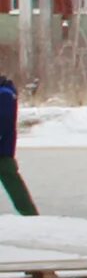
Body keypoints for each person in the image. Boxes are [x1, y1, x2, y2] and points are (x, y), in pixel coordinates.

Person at [0, 73, 35, 215]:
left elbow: (4, 121)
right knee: (13, 183)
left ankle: (31, 216)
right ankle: (30, 215)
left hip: (3, 151)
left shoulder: (5, 94)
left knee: (13, 183)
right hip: (5, 149)